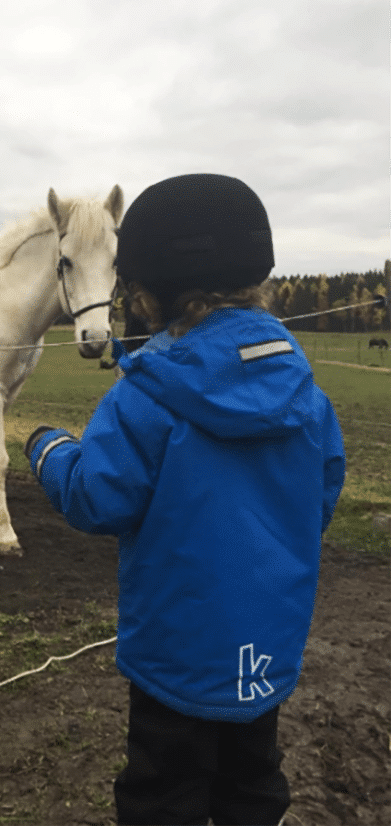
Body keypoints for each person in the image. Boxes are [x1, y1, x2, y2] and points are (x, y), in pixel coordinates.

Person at [24, 174, 346, 826]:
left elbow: (96, 498)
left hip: (173, 662)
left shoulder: (142, 399)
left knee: (161, 794)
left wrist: (49, 449)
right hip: (266, 655)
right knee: (254, 784)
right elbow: (320, 498)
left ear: (143, 294)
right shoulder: (307, 397)